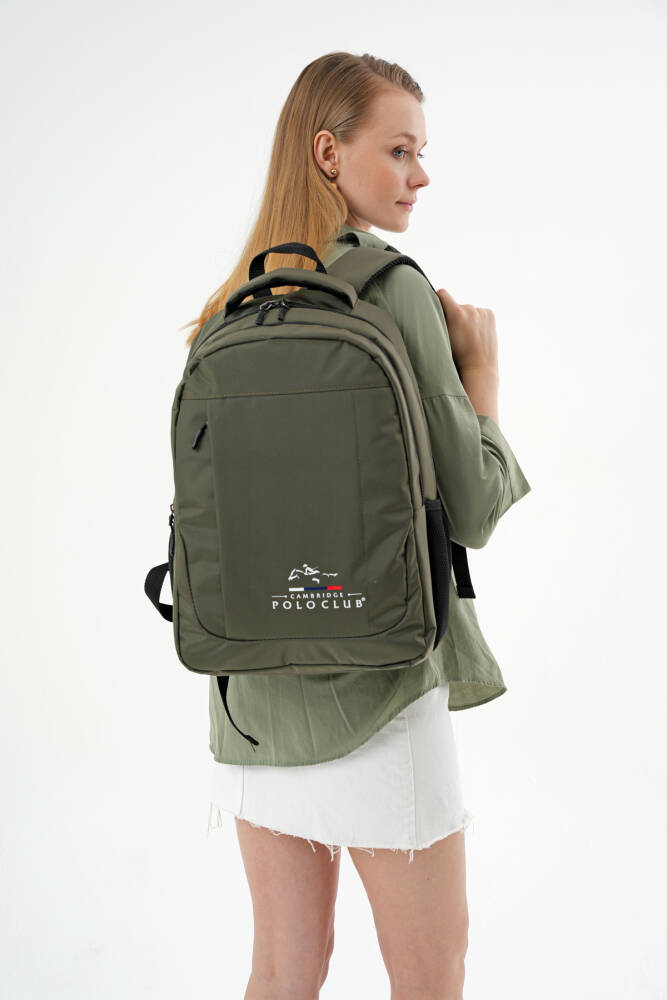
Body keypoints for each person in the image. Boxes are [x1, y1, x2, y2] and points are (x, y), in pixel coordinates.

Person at [185, 51, 531, 1000]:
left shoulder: (232, 304)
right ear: (328, 152)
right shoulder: (390, 288)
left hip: (249, 698)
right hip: (379, 693)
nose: (421, 175)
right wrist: (482, 379)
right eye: (401, 150)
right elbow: (473, 507)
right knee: (429, 976)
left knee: (281, 973)